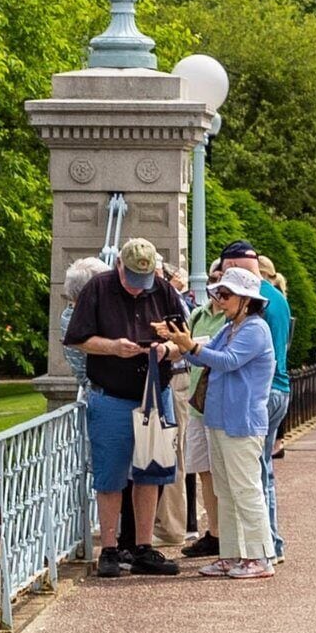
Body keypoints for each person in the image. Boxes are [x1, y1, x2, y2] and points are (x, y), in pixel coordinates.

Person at [62, 237, 194, 578]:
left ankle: (143, 547)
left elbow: (184, 342)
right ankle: (108, 548)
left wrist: (167, 350)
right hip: (112, 396)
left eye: (144, 282)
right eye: (132, 280)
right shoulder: (97, 289)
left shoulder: (164, 291)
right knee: (110, 474)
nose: (138, 289)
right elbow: (77, 338)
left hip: (154, 391)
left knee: (151, 471)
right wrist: (112, 347)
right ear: (119, 265)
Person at [194, 265, 281, 579]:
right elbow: (204, 355)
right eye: (219, 293)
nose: (220, 300)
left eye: (226, 295)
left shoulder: (255, 329)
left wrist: (189, 346)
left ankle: (260, 556)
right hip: (219, 419)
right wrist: (180, 342)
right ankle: (231, 554)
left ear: (246, 299)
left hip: (242, 421)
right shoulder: (231, 327)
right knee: (226, 491)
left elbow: (228, 361)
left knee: (245, 490)